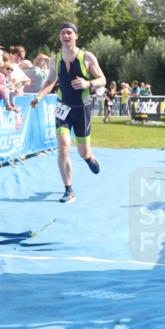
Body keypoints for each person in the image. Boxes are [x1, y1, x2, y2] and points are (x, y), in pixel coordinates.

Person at [30, 22, 105, 204]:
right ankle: (68, 189)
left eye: (69, 33)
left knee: (82, 151)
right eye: (63, 33)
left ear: (75, 36)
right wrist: (38, 97)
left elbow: (102, 79)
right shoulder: (55, 59)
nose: (66, 36)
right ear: (59, 37)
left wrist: (89, 84)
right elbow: (50, 82)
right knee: (63, 146)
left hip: (82, 109)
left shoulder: (87, 57)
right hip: (63, 107)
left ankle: (89, 157)